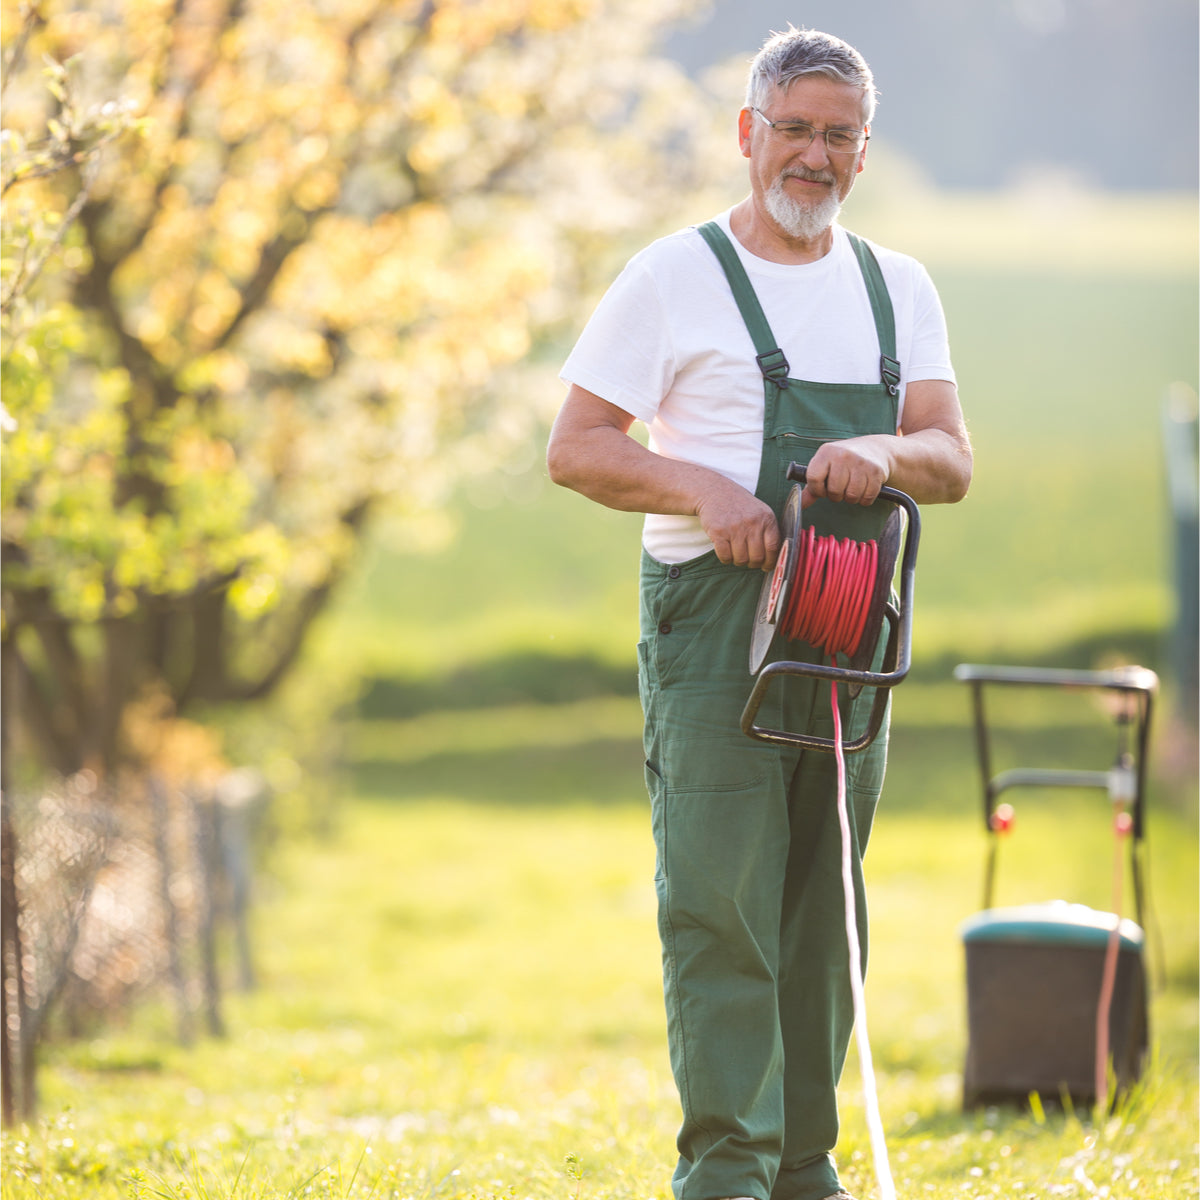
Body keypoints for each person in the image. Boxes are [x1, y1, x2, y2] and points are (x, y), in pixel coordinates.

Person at [547, 26, 972, 1200]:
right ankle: (725, 1168)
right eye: (795, 129)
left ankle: (807, 1164)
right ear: (749, 135)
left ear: (865, 151)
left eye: (839, 136)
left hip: (848, 621)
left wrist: (879, 445)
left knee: (824, 902)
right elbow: (576, 447)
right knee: (720, 895)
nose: (815, 155)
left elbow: (949, 456)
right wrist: (703, 492)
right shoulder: (670, 277)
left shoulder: (899, 286)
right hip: (712, 618)